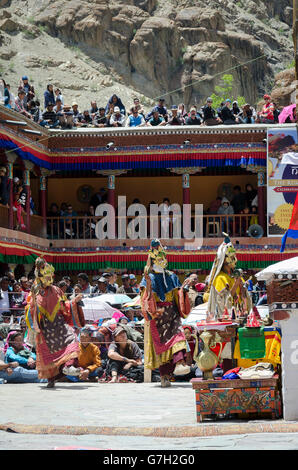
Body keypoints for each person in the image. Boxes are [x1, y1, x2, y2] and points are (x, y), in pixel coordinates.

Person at [26, 258, 85, 388]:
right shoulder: (34, 292)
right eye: (46, 276)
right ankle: (51, 378)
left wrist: (75, 301)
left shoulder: (57, 290)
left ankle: (68, 365)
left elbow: (65, 306)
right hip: (45, 329)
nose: (49, 279)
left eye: (50, 276)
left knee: (73, 339)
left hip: (60, 325)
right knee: (48, 355)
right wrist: (33, 304)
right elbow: (30, 310)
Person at [140, 239, 191, 388]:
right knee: (163, 348)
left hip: (172, 314)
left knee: (179, 337)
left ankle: (180, 363)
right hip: (158, 315)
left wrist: (185, 290)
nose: (163, 260)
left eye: (164, 257)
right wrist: (149, 286)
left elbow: (178, 296)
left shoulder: (172, 276)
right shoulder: (148, 278)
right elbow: (145, 299)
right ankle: (164, 376)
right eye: (159, 257)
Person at [206, 234, 252, 320]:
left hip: (241, 314)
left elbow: (244, 295)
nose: (235, 260)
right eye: (232, 257)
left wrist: (243, 287)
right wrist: (236, 284)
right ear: (224, 260)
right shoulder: (220, 278)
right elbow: (224, 300)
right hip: (227, 316)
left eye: (234, 256)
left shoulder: (237, 275)